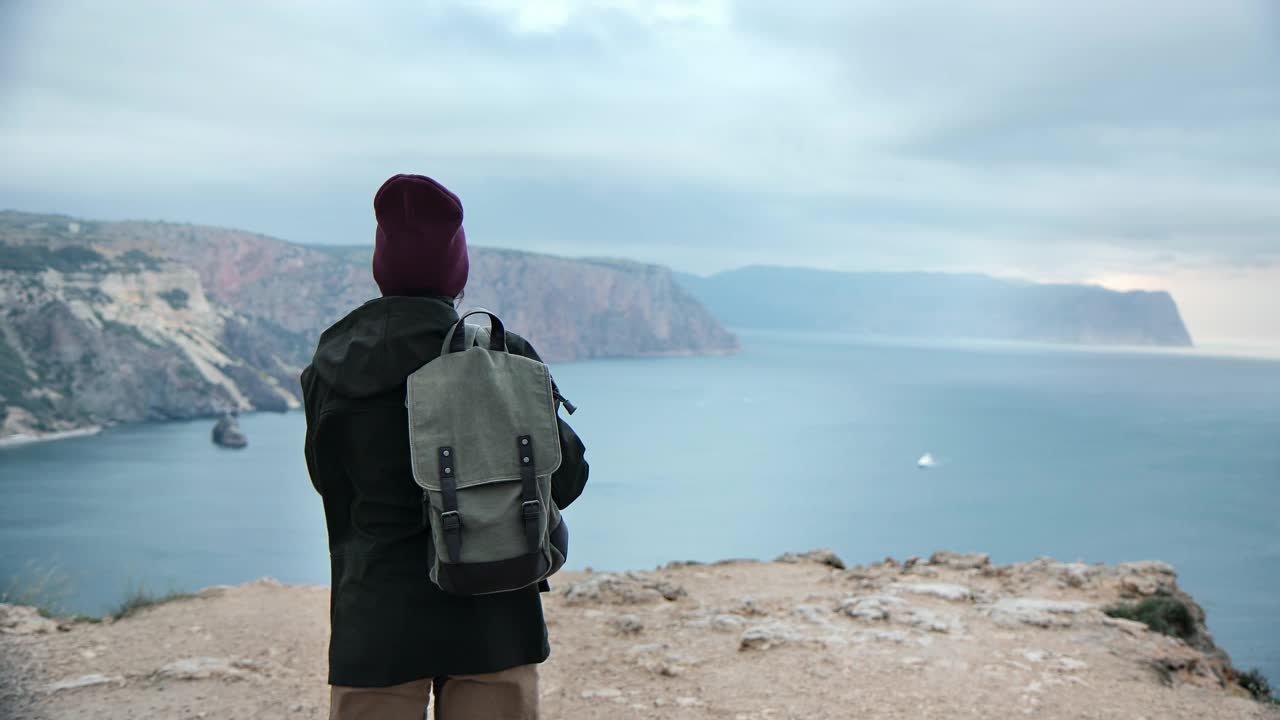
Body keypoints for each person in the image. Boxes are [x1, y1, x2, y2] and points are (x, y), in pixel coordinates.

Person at [301, 173, 589, 720]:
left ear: (381, 267)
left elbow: (329, 484)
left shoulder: (331, 367)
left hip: (376, 620)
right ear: (457, 268)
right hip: (495, 616)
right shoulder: (505, 356)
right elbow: (568, 478)